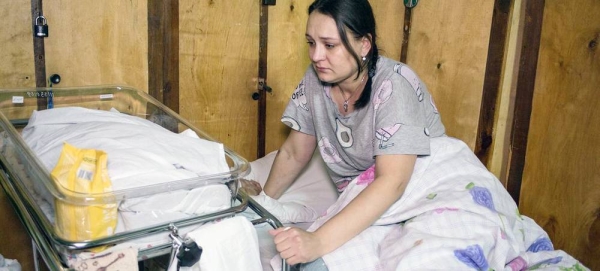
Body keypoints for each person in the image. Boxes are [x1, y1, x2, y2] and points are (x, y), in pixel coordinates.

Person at [242, 0, 445, 269]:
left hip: (421, 193)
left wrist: (317, 242)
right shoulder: (317, 79)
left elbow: (392, 183)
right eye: (311, 43)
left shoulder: (394, 85)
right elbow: (294, 152)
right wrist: (264, 204)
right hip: (366, 194)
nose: (315, 56)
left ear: (364, 45)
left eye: (329, 45)